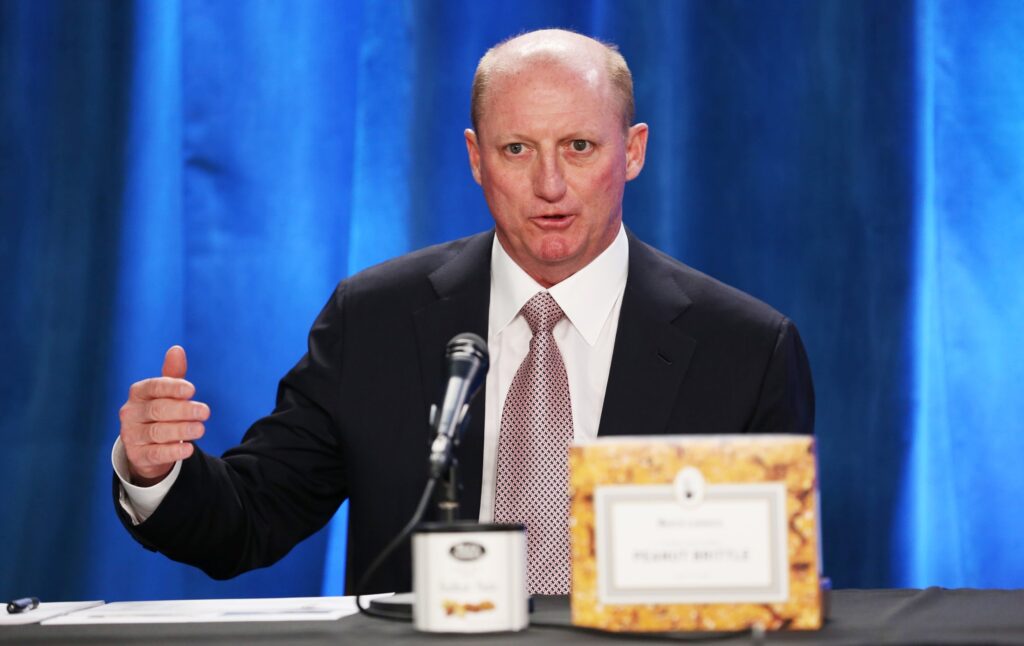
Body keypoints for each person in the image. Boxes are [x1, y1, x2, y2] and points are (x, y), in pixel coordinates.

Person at [114, 29, 814, 595]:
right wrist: (156, 472)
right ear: (477, 159)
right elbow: (250, 519)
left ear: (631, 152)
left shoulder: (746, 351)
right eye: (517, 149)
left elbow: (768, 587)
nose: (549, 184)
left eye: (578, 147)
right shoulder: (375, 321)